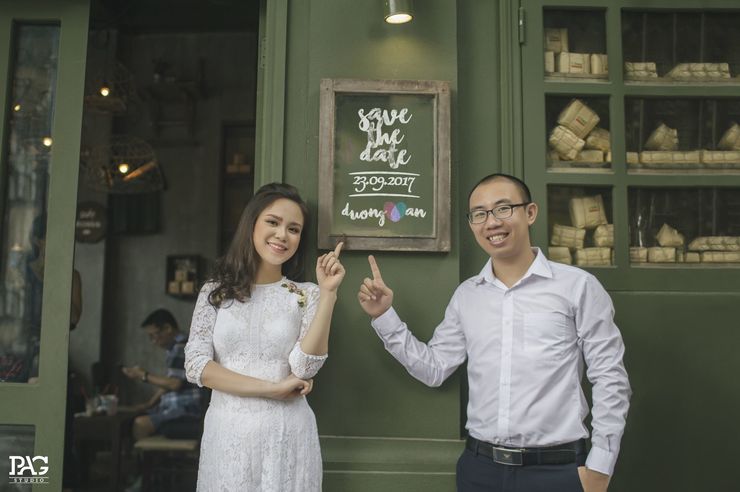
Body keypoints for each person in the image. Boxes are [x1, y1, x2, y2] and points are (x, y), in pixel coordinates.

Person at [357, 173, 631, 492]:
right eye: (479, 214)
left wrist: (599, 468)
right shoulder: (467, 295)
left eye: (503, 208)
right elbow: (435, 368)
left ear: (530, 213)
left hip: (557, 471)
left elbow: (610, 376)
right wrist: (384, 316)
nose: (491, 222)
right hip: (480, 470)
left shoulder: (578, 287)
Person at [184, 182, 345, 492]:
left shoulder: (306, 294)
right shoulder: (215, 292)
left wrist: (328, 295)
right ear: (252, 224)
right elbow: (196, 366)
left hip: (286, 434)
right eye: (273, 222)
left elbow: (305, 368)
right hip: (227, 433)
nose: (282, 235)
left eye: (294, 229)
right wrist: (271, 389)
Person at [122, 309, 205, 440]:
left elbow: (174, 384)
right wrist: (149, 403)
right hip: (179, 406)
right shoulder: (175, 347)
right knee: (132, 418)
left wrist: (143, 375)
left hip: (186, 408)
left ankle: (149, 454)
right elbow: (169, 382)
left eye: (153, 336)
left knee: (140, 424)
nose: (153, 341)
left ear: (167, 328)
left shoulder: (181, 347)